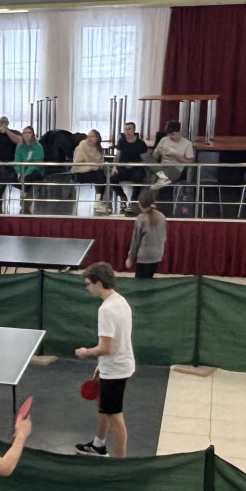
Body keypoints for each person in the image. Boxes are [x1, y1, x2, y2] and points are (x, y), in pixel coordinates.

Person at [75, 262, 134, 458]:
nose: (87, 287)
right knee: (104, 406)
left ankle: (121, 463)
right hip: (120, 364)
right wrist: (101, 365)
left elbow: (106, 348)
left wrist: (85, 352)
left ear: (98, 283)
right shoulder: (121, 301)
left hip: (115, 370)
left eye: (88, 283)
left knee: (115, 416)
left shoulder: (106, 309)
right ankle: (98, 445)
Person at [126, 188, 167, 278]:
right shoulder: (162, 216)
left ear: (140, 204)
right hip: (157, 256)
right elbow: (164, 237)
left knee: (140, 283)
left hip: (144, 258)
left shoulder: (141, 219)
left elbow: (135, 241)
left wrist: (130, 258)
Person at [109, 121, 149, 208]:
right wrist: (114, 166)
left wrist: (134, 164)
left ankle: (133, 200)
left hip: (136, 167)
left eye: (129, 129)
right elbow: (117, 156)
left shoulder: (141, 143)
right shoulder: (122, 142)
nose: (127, 131)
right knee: (112, 178)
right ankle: (122, 197)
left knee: (139, 178)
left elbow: (145, 160)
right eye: (125, 129)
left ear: (134, 130)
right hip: (123, 167)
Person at [13, 127, 45, 214]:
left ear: (33, 135)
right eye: (24, 133)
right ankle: (24, 204)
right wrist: (19, 172)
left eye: (29, 133)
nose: (26, 135)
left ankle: (25, 204)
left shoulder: (38, 146)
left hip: (36, 169)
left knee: (28, 179)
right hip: (22, 170)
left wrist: (24, 174)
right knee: (9, 176)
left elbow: (36, 163)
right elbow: (17, 160)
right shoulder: (19, 146)